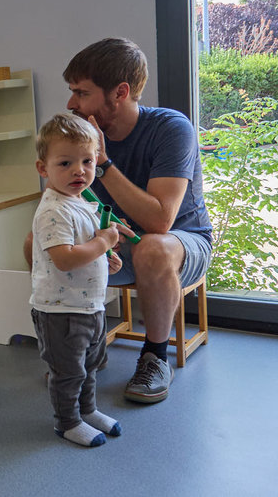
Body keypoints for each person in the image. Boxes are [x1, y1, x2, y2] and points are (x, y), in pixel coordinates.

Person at [26, 38, 213, 404]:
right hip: (116, 241)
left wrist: (105, 163)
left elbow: (161, 221)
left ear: (120, 92)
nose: (71, 103)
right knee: (38, 243)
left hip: (182, 243)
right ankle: (78, 348)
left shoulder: (171, 128)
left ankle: (155, 357)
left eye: (81, 92)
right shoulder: (81, 138)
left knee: (154, 249)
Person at [30, 113, 132, 447]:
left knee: (91, 366)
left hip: (89, 305)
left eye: (87, 161)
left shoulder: (82, 202)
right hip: (60, 311)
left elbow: (86, 247)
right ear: (43, 169)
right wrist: (103, 243)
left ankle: (87, 411)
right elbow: (64, 258)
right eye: (65, 163)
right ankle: (67, 422)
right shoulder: (52, 211)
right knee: (68, 372)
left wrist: (105, 258)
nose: (79, 170)